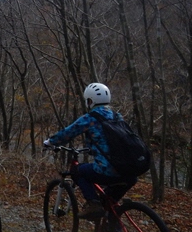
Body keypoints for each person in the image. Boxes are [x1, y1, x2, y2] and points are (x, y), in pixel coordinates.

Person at [43, 82, 137, 219]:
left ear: (90, 101)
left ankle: (93, 204)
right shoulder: (117, 117)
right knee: (110, 203)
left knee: (78, 172)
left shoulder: (90, 118)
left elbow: (68, 133)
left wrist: (50, 142)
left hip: (108, 170)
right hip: (129, 172)